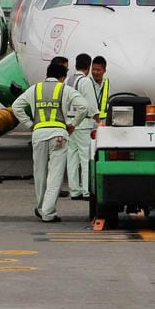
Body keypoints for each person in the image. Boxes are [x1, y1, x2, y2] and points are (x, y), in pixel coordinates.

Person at [12, 60, 92, 222]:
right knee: (55, 175)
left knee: (40, 173)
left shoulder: (35, 89)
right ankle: (48, 212)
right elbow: (84, 106)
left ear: (47, 75)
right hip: (58, 135)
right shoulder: (65, 89)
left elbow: (16, 106)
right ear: (62, 77)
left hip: (39, 134)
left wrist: (29, 124)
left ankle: (41, 207)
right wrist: (72, 124)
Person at [65, 53, 99, 200]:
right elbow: (90, 104)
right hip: (83, 124)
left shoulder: (68, 80)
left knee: (72, 157)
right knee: (85, 158)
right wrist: (98, 120)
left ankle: (74, 190)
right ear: (89, 66)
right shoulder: (85, 81)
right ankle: (86, 190)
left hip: (69, 123)